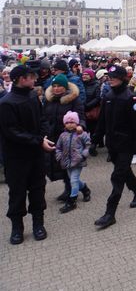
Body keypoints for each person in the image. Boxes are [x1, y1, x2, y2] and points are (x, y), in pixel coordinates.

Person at [0, 65, 52, 245]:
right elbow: (12, 132)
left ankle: (38, 224)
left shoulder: (32, 96)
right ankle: (17, 228)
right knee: (17, 192)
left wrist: (44, 136)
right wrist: (38, 141)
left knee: (38, 189)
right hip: (16, 157)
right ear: (22, 79)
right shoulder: (7, 102)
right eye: (31, 77)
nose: (35, 80)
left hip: (36, 154)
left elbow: (42, 118)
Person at [92, 65, 136, 229]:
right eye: (109, 76)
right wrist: (95, 142)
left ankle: (110, 213)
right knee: (124, 172)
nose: (110, 78)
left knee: (117, 177)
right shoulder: (108, 96)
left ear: (123, 78)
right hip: (112, 144)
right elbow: (102, 122)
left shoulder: (130, 98)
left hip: (127, 145)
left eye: (114, 76)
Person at [43, 73, 85, 202]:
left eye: (59, 86)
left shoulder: (74, 99)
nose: (56, 89)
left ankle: (71, 191)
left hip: (70, 138)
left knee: (68, 166)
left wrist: (80, 126)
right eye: (54, 86)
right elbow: (44, 117)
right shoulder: (49, 100)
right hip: (53, 137)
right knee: (60, 165)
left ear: (65, 87)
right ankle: (82, 188)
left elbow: (81, 117)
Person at [55, 111, 92, 213]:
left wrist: (83, 154)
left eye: (72, 122)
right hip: (67, 162)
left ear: (77, 123)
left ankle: (72, 201)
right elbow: (58, 147)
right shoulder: (62, 135)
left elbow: (88, 144)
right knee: (74, 180)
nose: (69, 124)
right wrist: (59, 156)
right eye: (67, 122)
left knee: (73, 180)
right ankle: (85, 189)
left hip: (78, 161)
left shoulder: (82, 134)